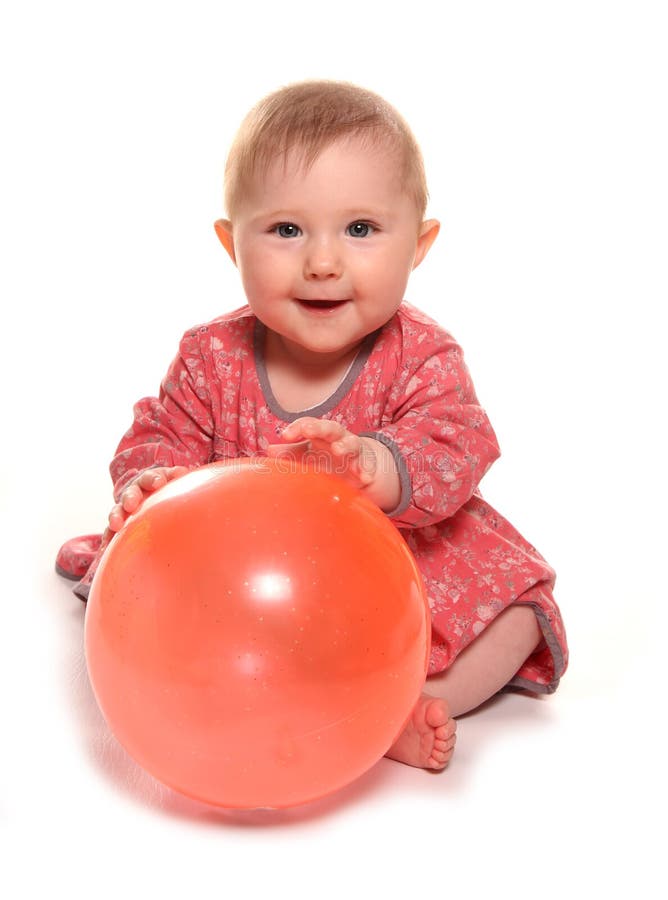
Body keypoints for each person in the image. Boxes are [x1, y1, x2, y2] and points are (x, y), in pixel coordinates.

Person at [57, 80, 568, 771]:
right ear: (231, 243)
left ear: (419, 245)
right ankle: (259, 697)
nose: (322, 262)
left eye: (361, 229)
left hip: (392, 558)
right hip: (250, 574)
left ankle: (403, 706)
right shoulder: (212, 356)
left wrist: (374, 466)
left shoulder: (422, 354)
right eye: (286, 229)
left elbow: (457, 440)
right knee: (154, 602)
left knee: (514, 611)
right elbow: (160, 431)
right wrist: (154, 482)